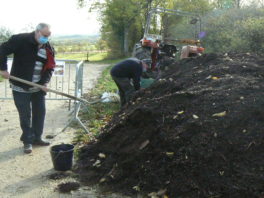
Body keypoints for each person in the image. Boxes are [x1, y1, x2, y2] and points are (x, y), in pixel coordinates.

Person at [0, 23, 55, 154]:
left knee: (40, 113)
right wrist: (3, 69)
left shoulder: (48, 48)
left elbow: (50, 67)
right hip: (20, 87)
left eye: (48, 36)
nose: (46, 38)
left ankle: (37, 138)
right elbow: (1, 50)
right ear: (37, 32)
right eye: (44, 36)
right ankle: (27, 141)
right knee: (25, 116)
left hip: (38, 88)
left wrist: (44, 82)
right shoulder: (20, 40)